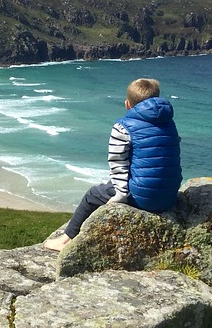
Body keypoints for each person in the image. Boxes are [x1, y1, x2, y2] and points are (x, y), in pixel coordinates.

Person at [44, 77, 182, 252]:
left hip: (144, 198)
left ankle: (65, 240)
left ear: (127, 105)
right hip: (169, 196)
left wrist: (121, 195)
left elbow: (118, 163)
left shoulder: (123, 127)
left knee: (92, 195)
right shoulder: (169, 124)